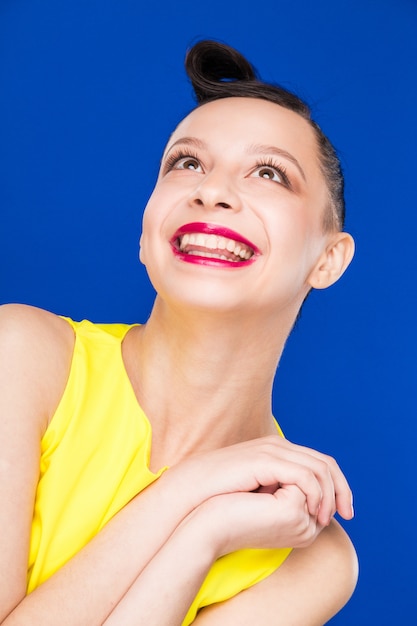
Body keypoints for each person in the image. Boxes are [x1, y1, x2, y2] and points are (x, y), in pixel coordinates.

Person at [0, 40, 358, 625]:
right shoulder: (21, 357)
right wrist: (191, 494)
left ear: (328, 260)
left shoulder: (309, 558)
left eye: (269, 173)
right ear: (147, 233)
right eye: (186, 163)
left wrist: (204, 534)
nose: (211, 191)